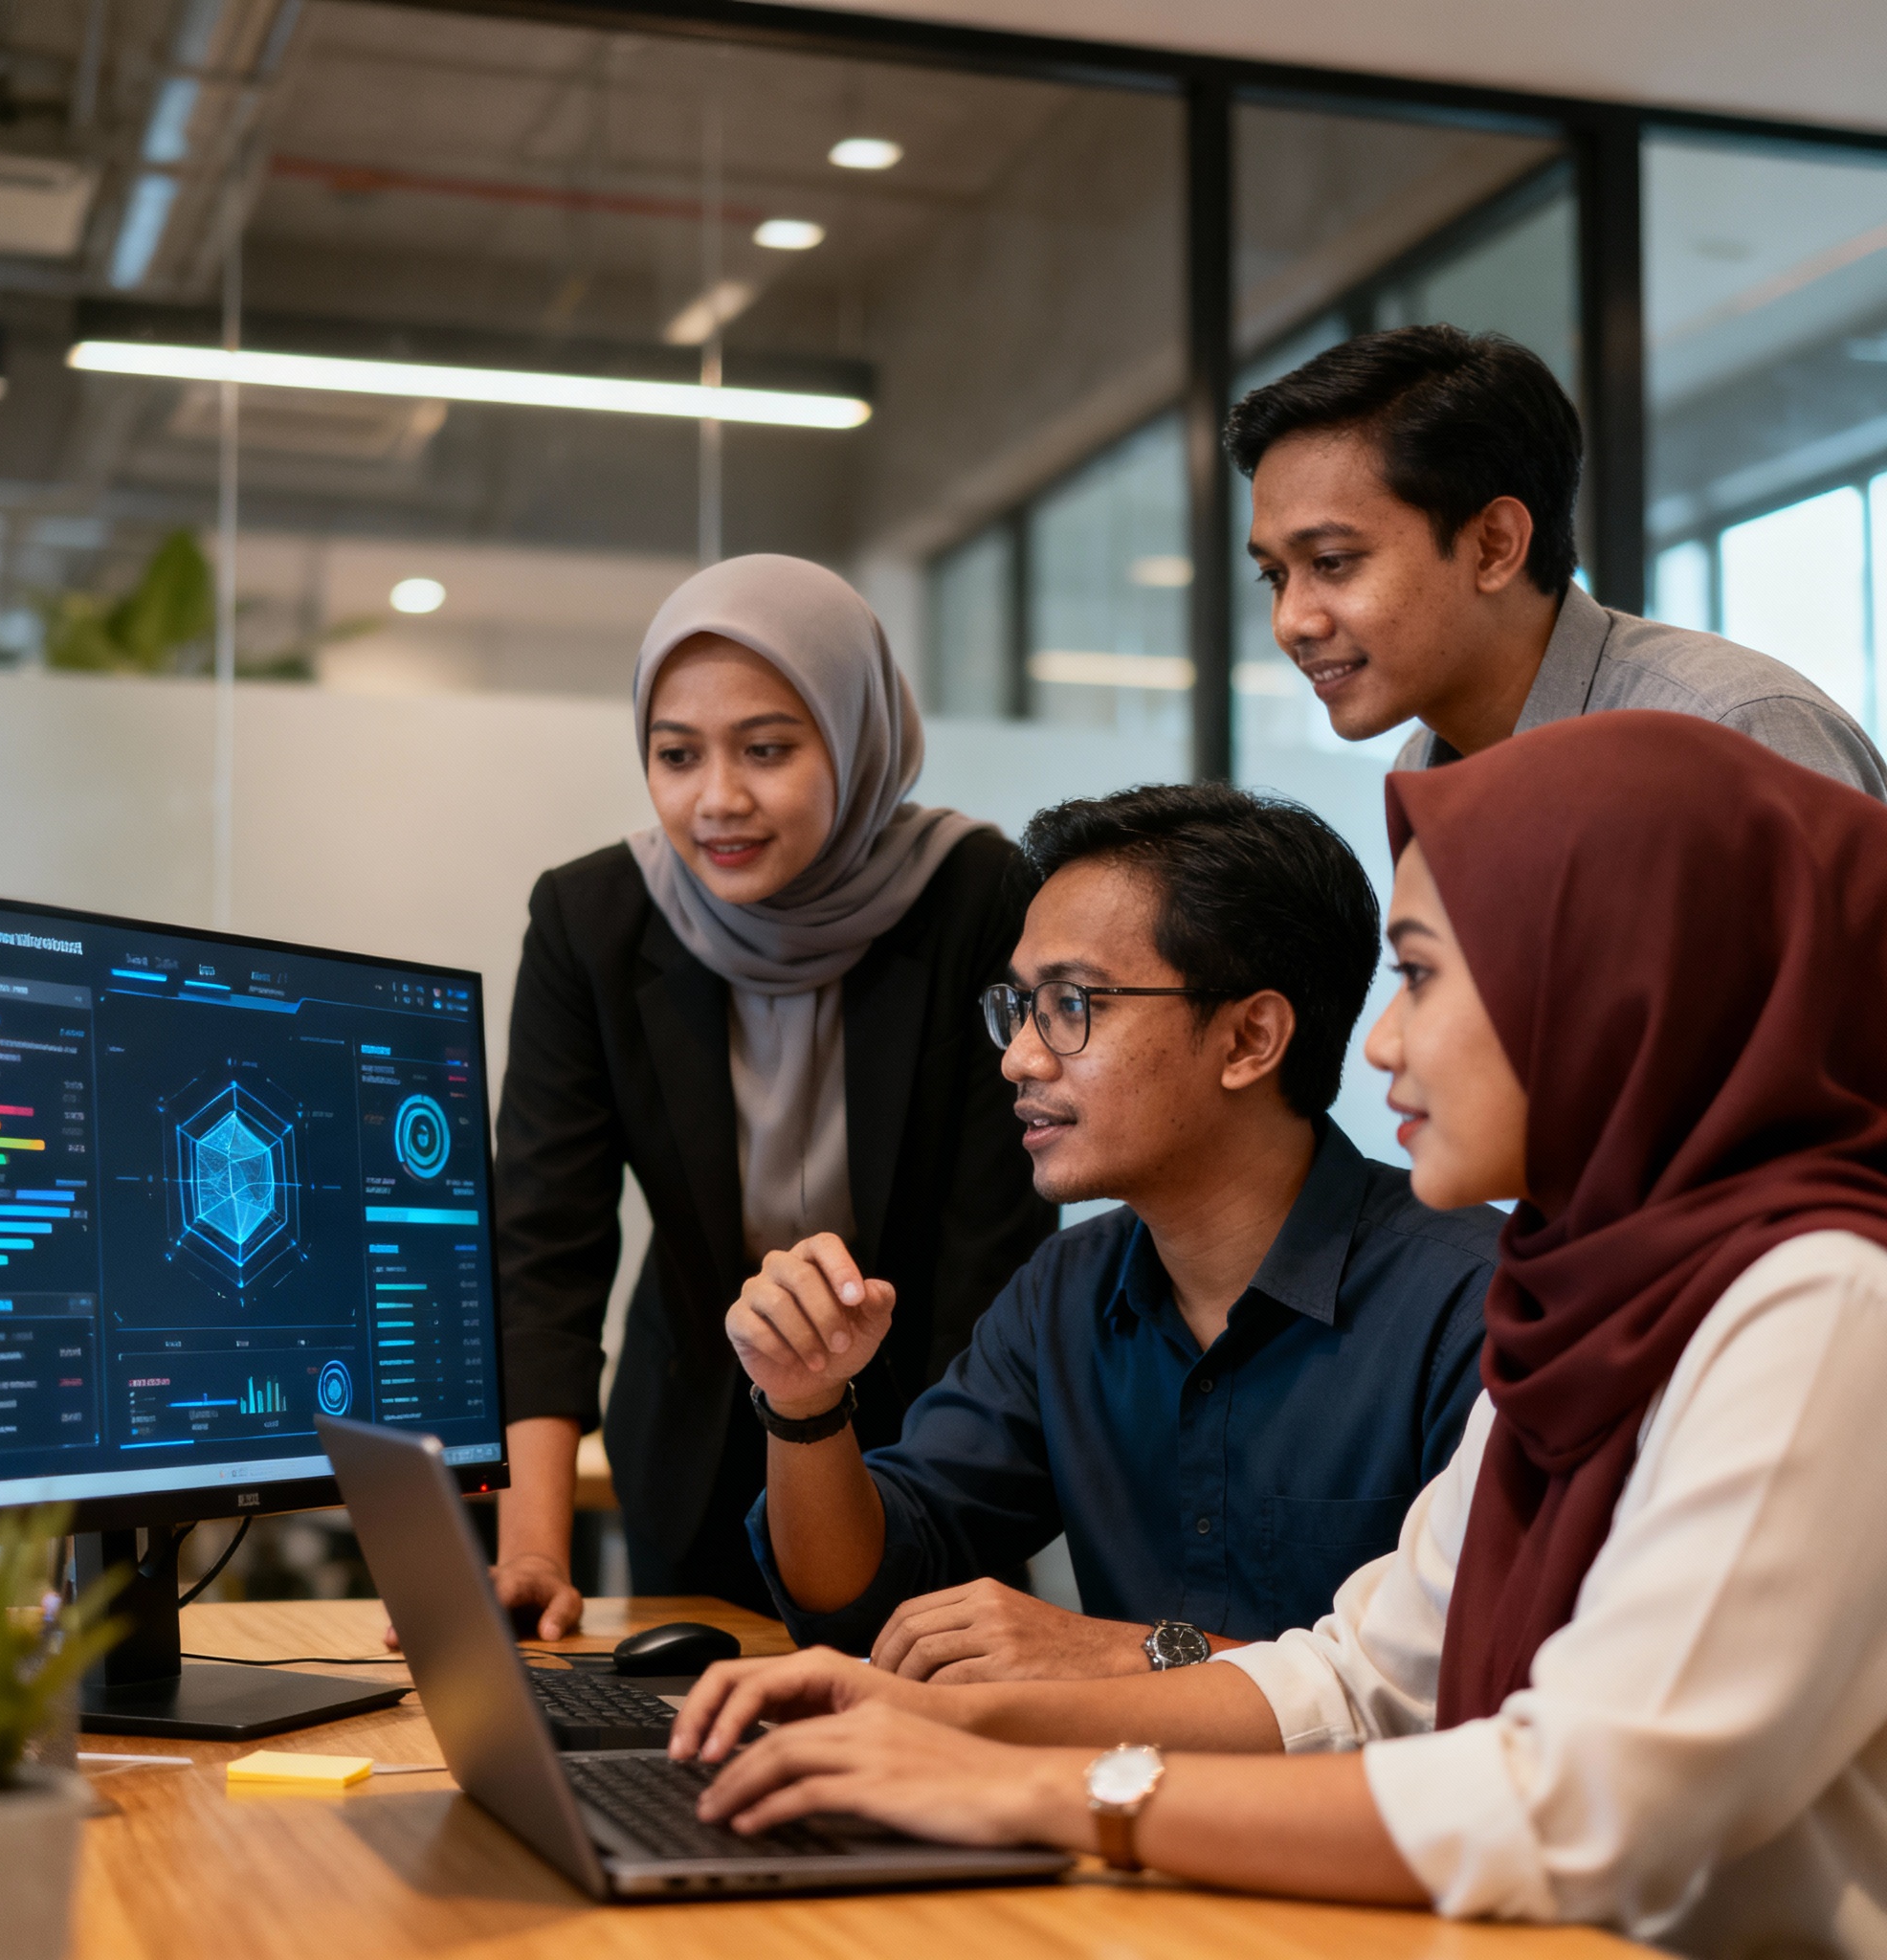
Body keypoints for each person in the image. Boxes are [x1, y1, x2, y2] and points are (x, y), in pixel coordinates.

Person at [668, 712, 1887, 1958]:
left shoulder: (1822, 1302)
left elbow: (1576, 1800)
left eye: (1419, 977)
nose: (1381, 1040)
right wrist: (950, 1727)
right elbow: (1363, 1677)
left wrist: (1043, 1790)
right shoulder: (1587, 1293)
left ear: (1614, 979)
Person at [727, 782, 1500, 1679]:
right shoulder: (1067, 1292)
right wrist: (805, 1403)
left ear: (1250, 1039)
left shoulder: (1471, 1304)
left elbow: (1471, 1689)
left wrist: (1146, 1655)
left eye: (1072, 1005)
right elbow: (856, 1598)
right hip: (1106, 1807)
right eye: (1019, 1008)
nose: (1020, 1056)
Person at [488, 554, 1054, 1629]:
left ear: (852, 735)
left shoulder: (978, 894)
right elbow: (542, 1253)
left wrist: (937, 1490)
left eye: (767, 748)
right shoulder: (592, 918)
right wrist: (533, 1552)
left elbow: (996, 1239)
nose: (718, 799)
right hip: (693, 1446)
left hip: (931, 1444)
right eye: (675, 753)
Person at [1231, 323, 1887, 798]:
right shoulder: (1426, 766)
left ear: (1494, 545)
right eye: (1275, 576)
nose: (1293, 623)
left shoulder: (1730, 731)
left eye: (1334, 562)